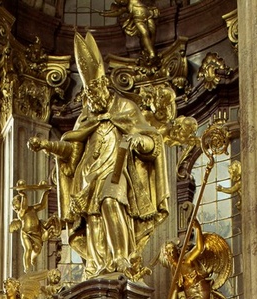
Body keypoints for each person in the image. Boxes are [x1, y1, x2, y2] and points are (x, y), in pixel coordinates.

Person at [29, 32, 168, 280]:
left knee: (111, 201)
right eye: (89, 97)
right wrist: (47, 145)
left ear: (104, 87)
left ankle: (121, 258)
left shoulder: (125, 108)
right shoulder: (87, 117)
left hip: (117, 172)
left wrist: (139, 141)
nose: (93, 101)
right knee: (92, 220)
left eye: (95, 95)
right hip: (88, 177)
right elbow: (71, 151)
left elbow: (151, 141)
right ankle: (96, 265)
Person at [9, 184, 59, 271]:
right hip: (26, 234)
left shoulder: (32, 209)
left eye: (16, 202)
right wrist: (24, 195)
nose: (16, 206)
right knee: (28, 249)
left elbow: (42, 205)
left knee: (37, 249)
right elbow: (24, 207)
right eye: (15, 205)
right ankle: (27, 269)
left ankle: (33, 258)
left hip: (37, 232)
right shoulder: (21, 213)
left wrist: (46, 193)